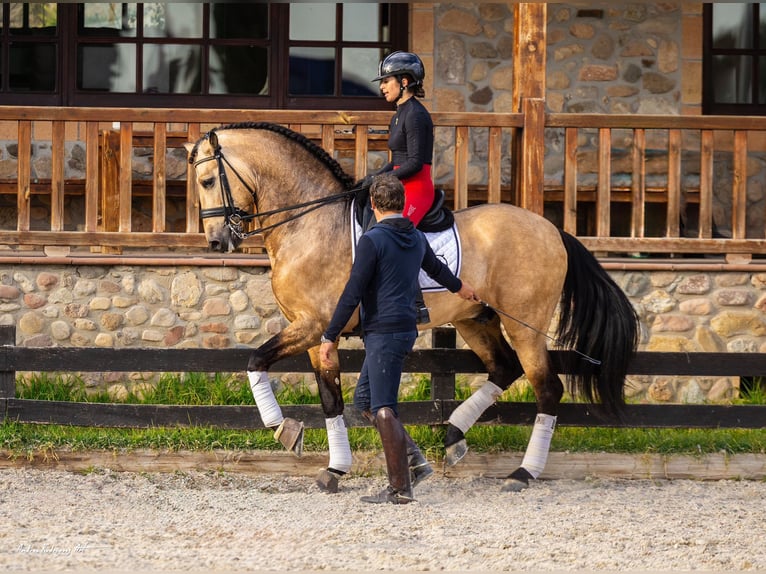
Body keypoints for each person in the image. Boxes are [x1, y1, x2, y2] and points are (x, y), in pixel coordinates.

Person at [319, 174, 478, 505]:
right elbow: (436, 269)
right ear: (403, 204)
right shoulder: (416, 236)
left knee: (383, 408)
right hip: (405, 329)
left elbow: (353, 291)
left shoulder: (372, 240)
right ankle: (414, 462)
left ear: (373, 204)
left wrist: (329, 335)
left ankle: (399, 489)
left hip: (384, 332)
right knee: (364, 402)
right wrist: (460, 287)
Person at [371, 51, 434, 228]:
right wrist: (375, 176)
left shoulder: (415, 114)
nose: (382, 87)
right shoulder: (398, 114)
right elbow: (398, 161)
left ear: (404, 82)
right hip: (399, 187)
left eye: (386, 81)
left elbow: (415, 163)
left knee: (392, 234)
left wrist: (381, 180)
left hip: (416, 189)